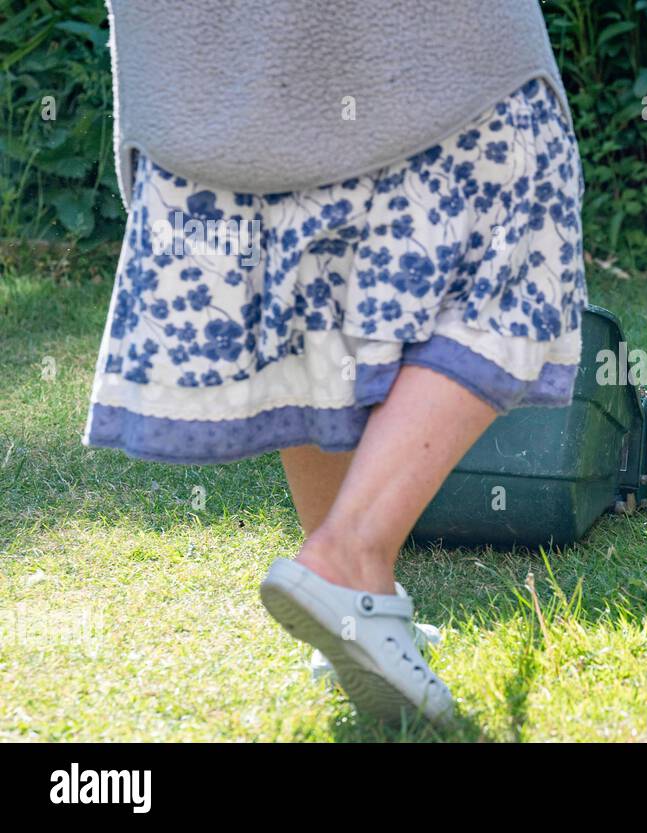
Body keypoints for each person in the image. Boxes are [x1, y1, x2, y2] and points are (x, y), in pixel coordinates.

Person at [84, 0, 585, 726]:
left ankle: (352, 611)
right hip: (409, 52)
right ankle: (349, 555)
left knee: (307, 288)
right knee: (521, 213)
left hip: (208, 77)